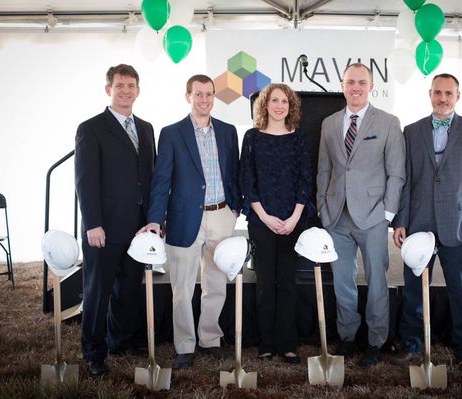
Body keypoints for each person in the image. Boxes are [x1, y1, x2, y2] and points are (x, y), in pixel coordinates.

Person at [389, 73, 462, 375]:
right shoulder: (411, 131)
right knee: (413, 289)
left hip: (459, 225)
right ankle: (410, 345)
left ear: (458, 96)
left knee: (461, 290)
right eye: (437, 92)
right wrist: (400, 221)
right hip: (418, 223)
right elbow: (405, 180)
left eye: (448, 93)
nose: (442, 98)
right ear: (429, 94)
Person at [140, 74, 240, 369]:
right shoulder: (172, 133)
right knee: (182, 285)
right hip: (184, 217)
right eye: (199, 94)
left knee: (216, 281)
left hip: (222, 214)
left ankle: (209, 339)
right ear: (188, 96)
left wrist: (236, 205)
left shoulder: (227, 131)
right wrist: (155, 220)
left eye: (209, 94)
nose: (204, 99)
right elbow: (161, 181)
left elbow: (233, 170)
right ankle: (185, 346)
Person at [316, 63, 406, 367]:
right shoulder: (329, 123)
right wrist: (321, 206)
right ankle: (348, 336)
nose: (355, 87)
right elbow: (324, 169)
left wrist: (388, 213)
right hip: (336, 216)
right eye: (350, 82)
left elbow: (396, 173)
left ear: (371, 86)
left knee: (377, 280)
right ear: (342, 85)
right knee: (343, 281)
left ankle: (376, 340)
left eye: (361, 83)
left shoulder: (389, 122)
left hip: (372, 215)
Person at [75, 64, 156, 376]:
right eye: (120, 85)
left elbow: (151, 177)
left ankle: (120, 340)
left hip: (139, 227)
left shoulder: (147, 128)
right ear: (108, 89)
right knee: (98, 291)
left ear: (138, 89)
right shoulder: (91, 128)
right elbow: (85, 180)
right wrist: (92, 223)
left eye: (131, 85)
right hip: (104, 228)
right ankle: (94, 352)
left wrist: (153, 220)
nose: (126, 90)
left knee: (129, 289)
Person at [239, 83, 313, 364]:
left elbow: (306, 180)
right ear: (264, 105)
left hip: (292, 222)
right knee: (265, 284)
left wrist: (294, 218)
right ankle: (267, 343)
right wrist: (265, 216)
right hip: (262, 221)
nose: (279, 105)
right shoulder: (252, 138)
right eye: (274, 100)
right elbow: (247, 180)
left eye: (285, 101)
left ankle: (288, 343)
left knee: (288, 283)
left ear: (290, 106)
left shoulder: (299, 138)